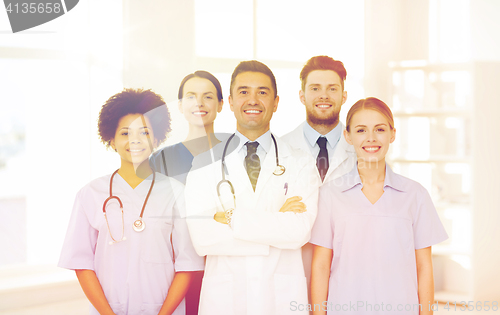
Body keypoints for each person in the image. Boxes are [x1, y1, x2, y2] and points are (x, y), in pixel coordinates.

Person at [184, 60, 320, 315]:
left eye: (262, 92)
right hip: (225, 301)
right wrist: (276, 223)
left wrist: (232, 218)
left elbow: (298, 232)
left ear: (276, 102)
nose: (253, 100)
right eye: (244, 92)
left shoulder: (300, 161)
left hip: (281, 301)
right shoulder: (204, 164)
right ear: (232, 102)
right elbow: (203, 239)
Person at [58, 88, 204, 315]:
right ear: (111, 140)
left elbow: (187, 264)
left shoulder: (177, 193)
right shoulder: (90, 194)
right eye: (125, 133)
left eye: (144, 132)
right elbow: (82, 263)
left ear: (156, 139)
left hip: (164, 309)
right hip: (108, 310)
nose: (134, 140)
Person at [310, 97, 448, 315]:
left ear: (393, 134)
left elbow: (424, 267)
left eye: (380, 129)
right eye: (361, 130)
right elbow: (320, 267)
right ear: (348, 136)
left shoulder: (415, 195)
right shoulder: (330, 195)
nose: (371, 138)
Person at [281, 55, 357, 295]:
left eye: (332, 89)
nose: (324, 95)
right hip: (293, 268)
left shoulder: (363, 149)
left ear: (344, 96)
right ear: (302, 96)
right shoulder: (278, 150)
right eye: (315, 88)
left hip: (349, 267)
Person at [150, 70, 224, 184]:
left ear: (220, 105)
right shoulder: (160, 160)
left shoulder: (234, 155)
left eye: (208, 97)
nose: (199, 103)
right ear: (180, 105)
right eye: (191, 97)